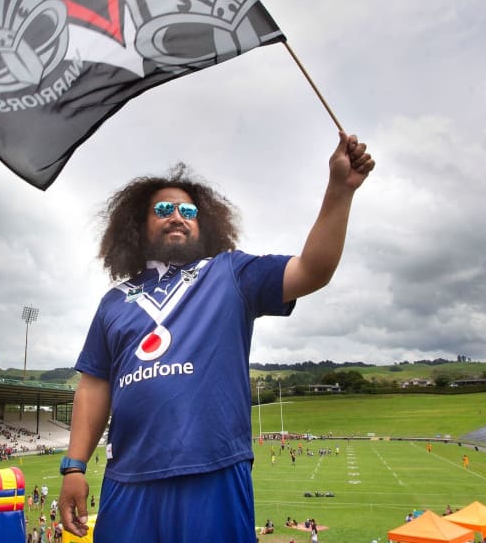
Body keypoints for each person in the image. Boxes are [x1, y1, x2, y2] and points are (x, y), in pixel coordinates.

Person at [57, 131, 374, 542]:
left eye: (188, 210)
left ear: (203, 223)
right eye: (164, 209)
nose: (177, 216)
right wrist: (75, 466)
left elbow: (313, 270)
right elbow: (95, 386)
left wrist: (339, 190)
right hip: (128, 480)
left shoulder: (230, 273)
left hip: (215, 473)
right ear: (140, 224)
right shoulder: (113, 302)